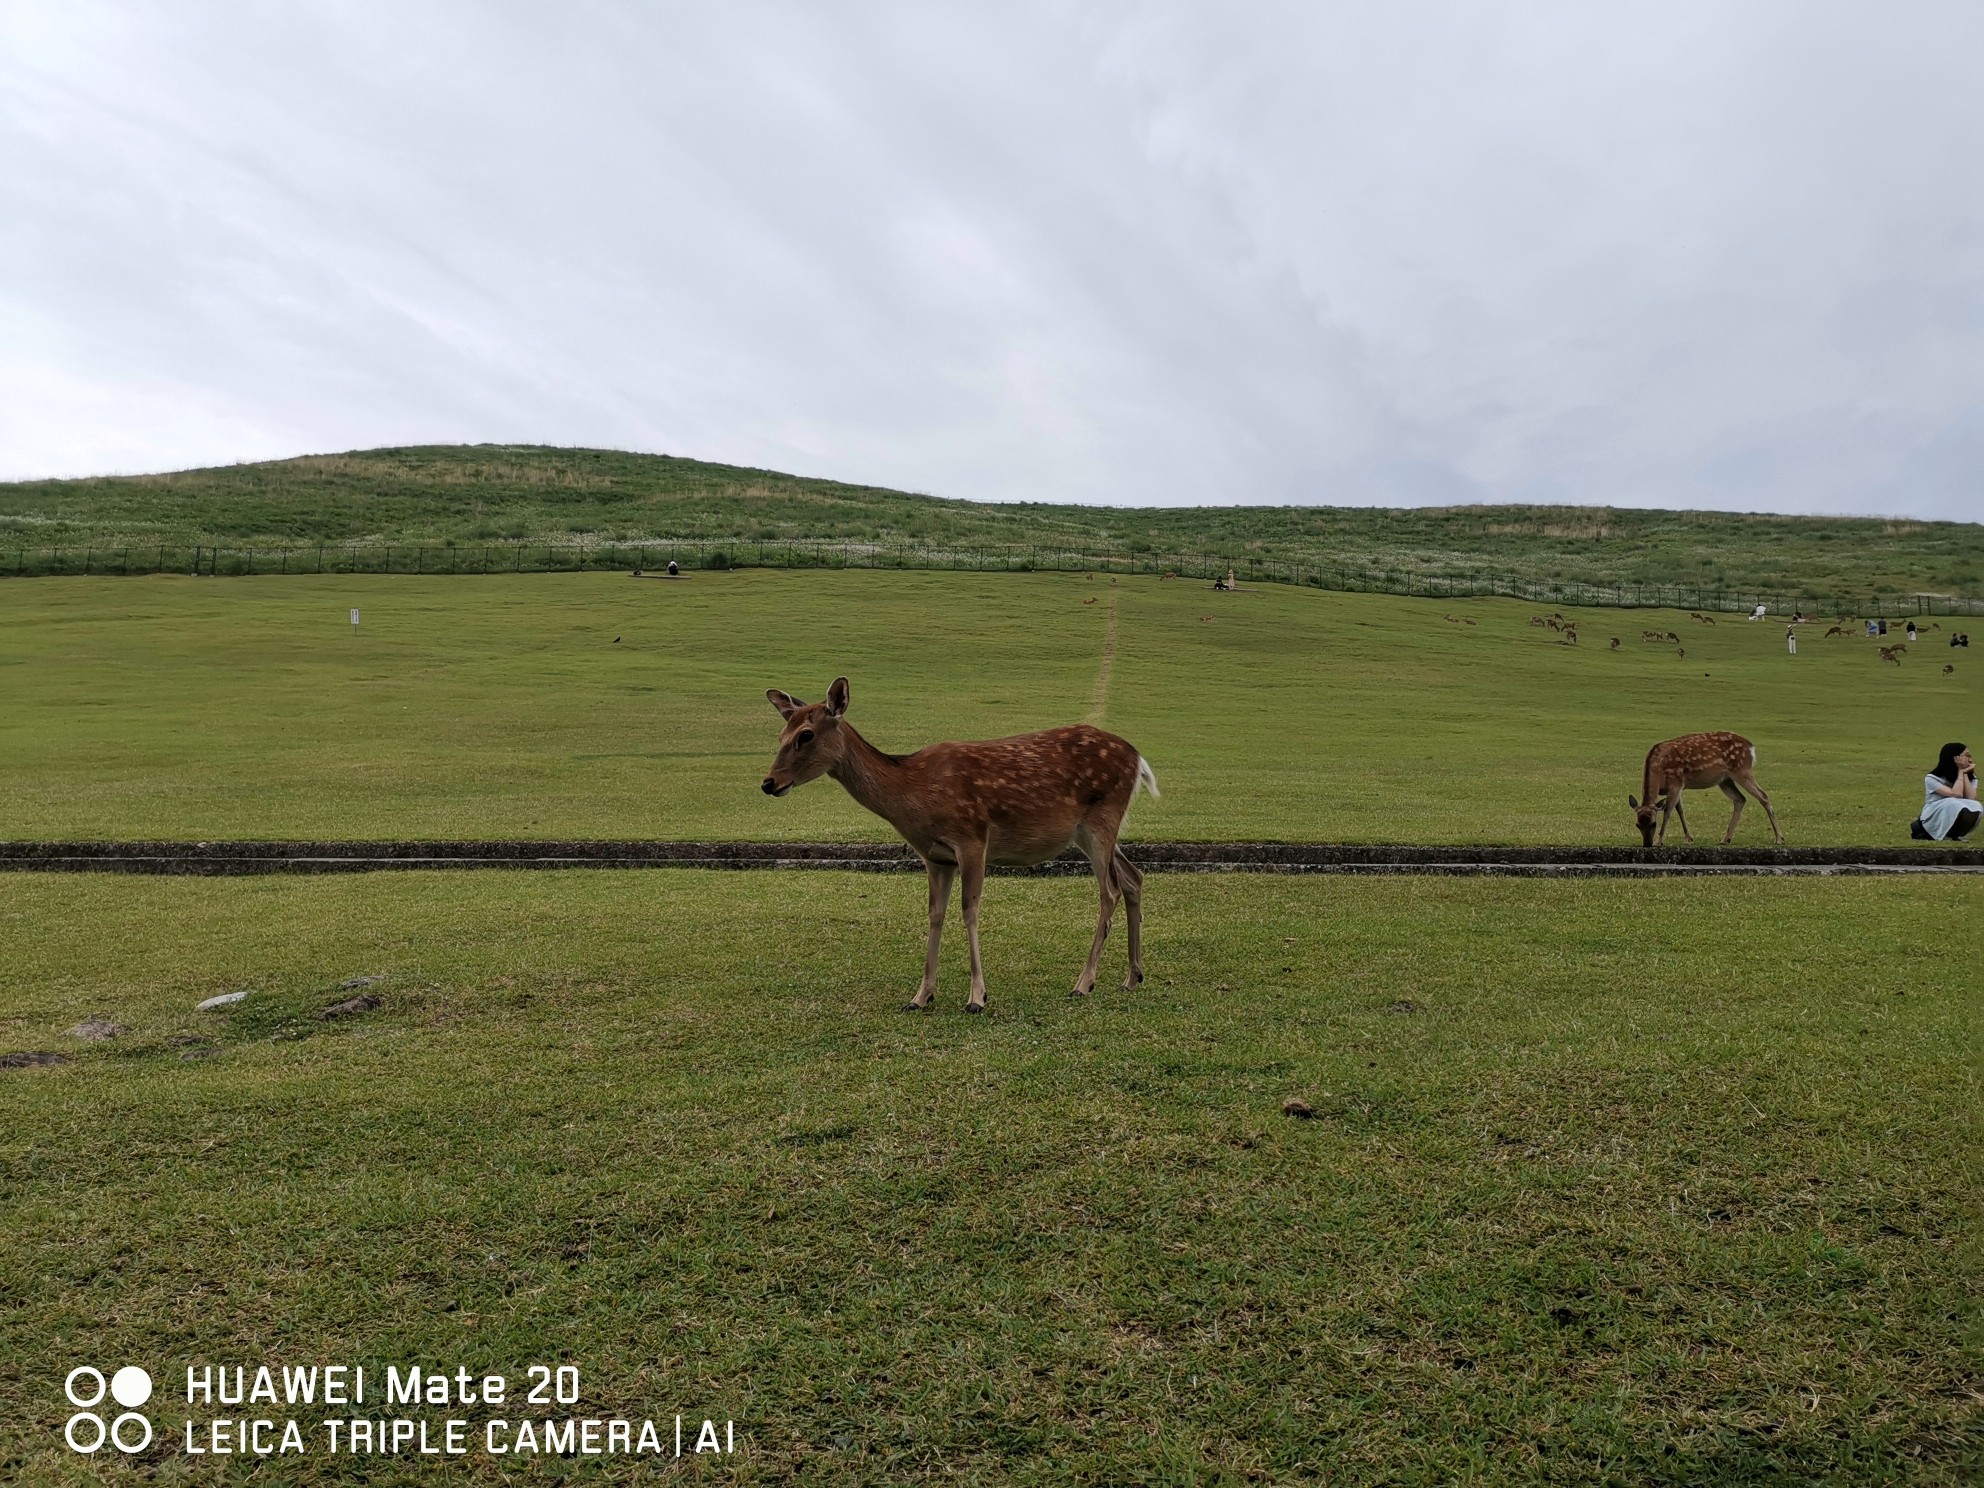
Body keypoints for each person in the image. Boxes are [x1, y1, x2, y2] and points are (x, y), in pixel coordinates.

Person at [1913, 742, 1981, 841]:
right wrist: (1961, 771)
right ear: (1955, 758)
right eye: (1967, 755)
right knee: (1952, 803)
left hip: (1955, 808)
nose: (1970, 759)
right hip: (1933, 815)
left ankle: (1955, 834)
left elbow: (1971, 798)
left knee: (1976, 806)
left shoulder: (1971, 777)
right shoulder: (1932, 778)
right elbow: (1956, 794)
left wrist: (1964, 773)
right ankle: (1939, 834)